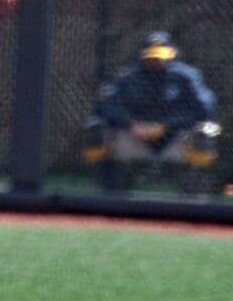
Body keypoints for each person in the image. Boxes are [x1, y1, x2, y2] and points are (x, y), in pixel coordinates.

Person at [84, 31, 218, 193]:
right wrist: (131, 125)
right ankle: (112, 192)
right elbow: (106, 106)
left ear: (171, 55)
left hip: (176, 138)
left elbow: (204, 108)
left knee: (207, 130)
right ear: (143, 55)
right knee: (96, 127)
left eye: (160, 57)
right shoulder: (128, 77)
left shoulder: (186, 77)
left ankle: (191, 192)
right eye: (151, 57)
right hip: (134, 137)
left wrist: (166, 126)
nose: (156, 61)